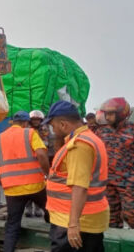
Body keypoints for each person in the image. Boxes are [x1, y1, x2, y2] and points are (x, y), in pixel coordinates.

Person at [43, 101, 109, 252]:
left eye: (53, 126)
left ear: (63, 124)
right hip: (87, 217)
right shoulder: (90, 138)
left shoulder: (79, 146)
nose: (52, 130)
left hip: (73, 220)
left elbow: (80, 186)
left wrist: (73, 224)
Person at [0, 111, 50, 252]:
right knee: (51, 211)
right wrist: (48, 174)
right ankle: (57, 242)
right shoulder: (30, 133)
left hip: (12, 189)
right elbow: (41, 154)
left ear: (12, 122)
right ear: (26, 123)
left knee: (12, 224)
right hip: (35, 186)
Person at [96, 97, 134, 228]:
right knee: (110, 217)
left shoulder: (132, 130)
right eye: (106, 114)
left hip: (129, 182)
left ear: (121, 114)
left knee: (131, 214)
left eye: (111, 114)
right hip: (108, 181)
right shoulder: (102, 131)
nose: (108, 117)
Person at [25, 110, 48, 218]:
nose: (36, 122)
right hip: (29, 161)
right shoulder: (27, 131)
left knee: (40, 185)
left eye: (37, 120)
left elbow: (48, 144)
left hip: (40, 160)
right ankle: (28, 208)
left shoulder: (44, 130)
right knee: (28, 186)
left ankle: (38, 208)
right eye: (34, 120)